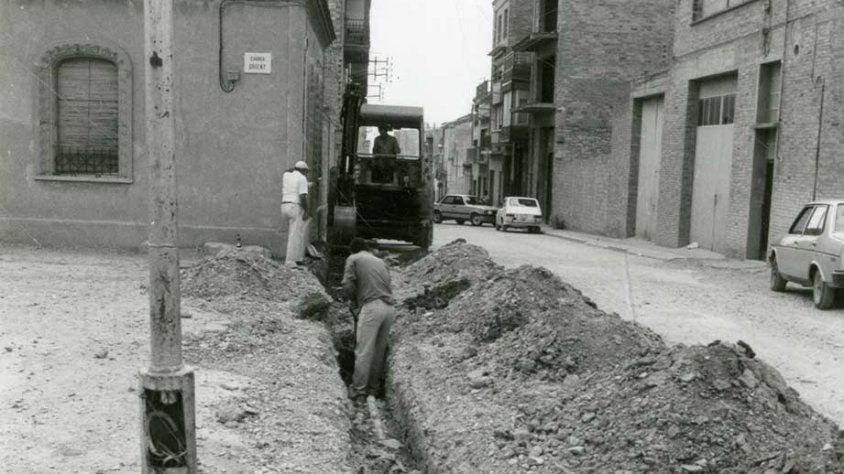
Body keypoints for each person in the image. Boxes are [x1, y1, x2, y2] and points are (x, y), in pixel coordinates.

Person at [342, 237, 396, 400]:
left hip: (372, 307)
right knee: (378, 351)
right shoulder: (380, 261)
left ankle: (359, 391)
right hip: (389, 308)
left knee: (364, 350)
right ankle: (373, 389)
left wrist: (353, 301)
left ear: (353, 250)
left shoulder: (353, 258)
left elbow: (347, 284)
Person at [281, 161, 310, 266]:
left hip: (284, 205)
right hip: (295, 206)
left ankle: (297, 258)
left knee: (294, 233)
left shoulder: (286, 175)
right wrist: (306, 211)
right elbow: (302, 197)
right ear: (303, 171)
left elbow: (287, 170)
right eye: (306, 172)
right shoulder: (302, 179)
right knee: (295, 234)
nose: (307, 174)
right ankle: (290, 261)